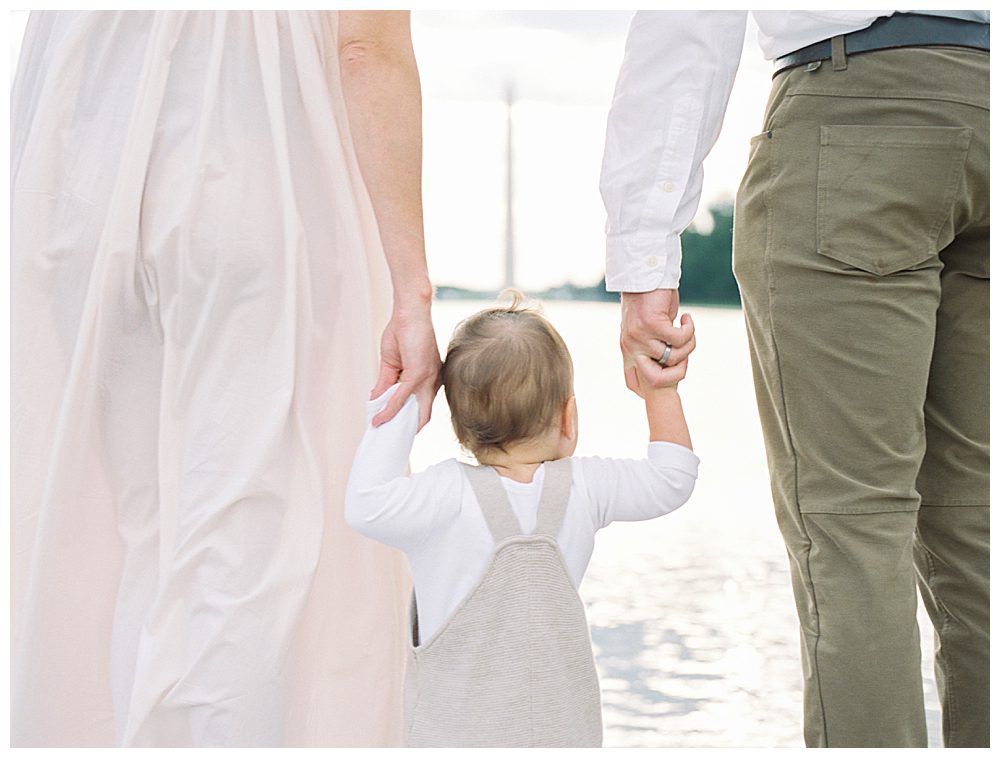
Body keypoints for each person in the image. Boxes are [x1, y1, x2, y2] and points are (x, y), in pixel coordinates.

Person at [11, 10, 439, 747]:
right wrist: (412, 289)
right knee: (244, 557)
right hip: (251, 160)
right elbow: (367, 45)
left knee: (140, 544)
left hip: (79, 169)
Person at [601, 10, 988, 748]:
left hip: (857, 118)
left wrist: (645, 259)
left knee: (852, 530)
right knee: (980, 533)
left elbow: (689, 27)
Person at [343, 294, 699, 747]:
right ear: (569, 418)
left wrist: (406, 396)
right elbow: (672, 479)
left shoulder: (443, 498)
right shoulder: (585, 488)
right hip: (563, 737)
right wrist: (661, 390)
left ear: (457, 426)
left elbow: (364, 504)